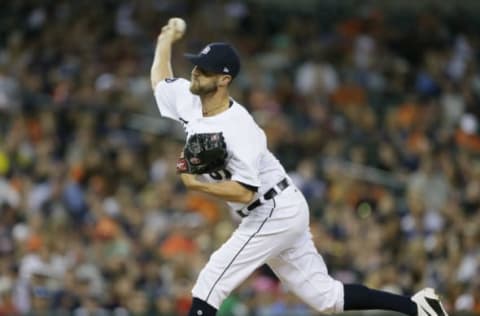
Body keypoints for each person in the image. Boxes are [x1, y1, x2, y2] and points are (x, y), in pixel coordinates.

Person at [150, 18, 449, 316]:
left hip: (270, 209)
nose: (195, 73)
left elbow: (244, 192)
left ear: (224, 79)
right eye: (196, 65)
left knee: (210, 282)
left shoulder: (241, 129)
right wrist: (165, 41)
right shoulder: (190, 100)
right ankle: (417, 306)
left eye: (204, 69)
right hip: (276, 209)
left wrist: (197, 184)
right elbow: (160, 82)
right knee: (327, 298)